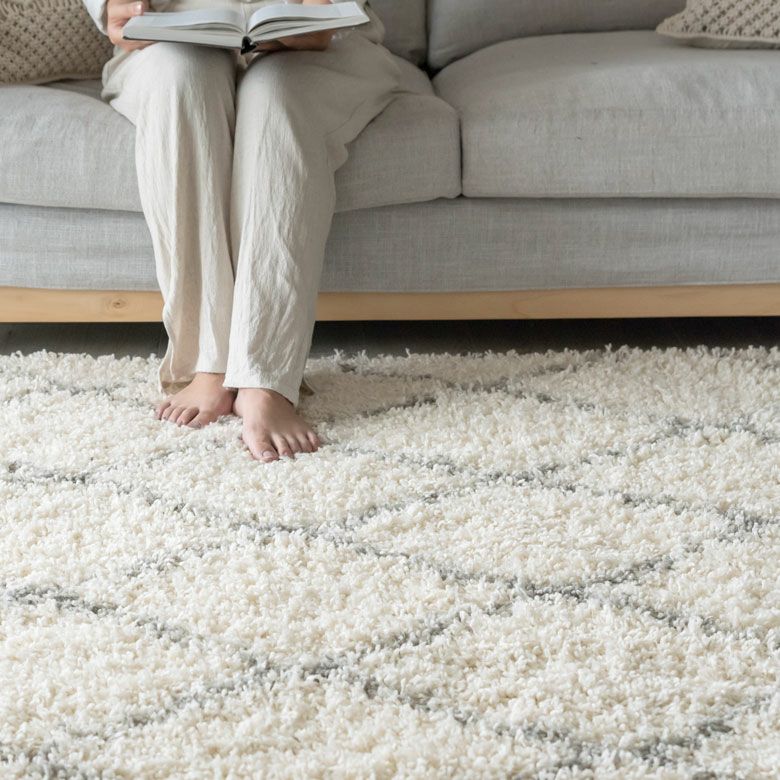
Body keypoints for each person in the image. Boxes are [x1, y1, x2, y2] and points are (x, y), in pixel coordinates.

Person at [81, 0, 402, 461]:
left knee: (277, 94)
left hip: (325, 42)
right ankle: (207, 362)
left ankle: (264, 378)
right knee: (182, 81)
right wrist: (114, 5)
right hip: (171, 33)